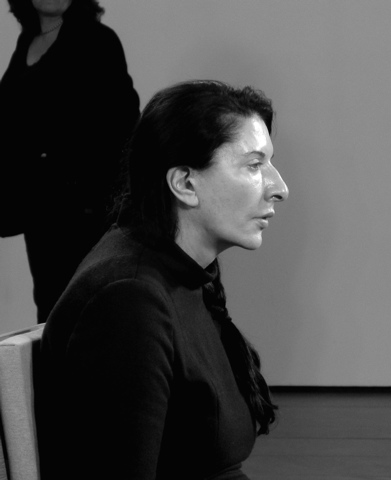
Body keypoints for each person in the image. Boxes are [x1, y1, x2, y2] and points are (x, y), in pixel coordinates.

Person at [38, 80, 289, 480]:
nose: (280, 188)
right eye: (254, 165)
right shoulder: (129, 299)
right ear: (185, 183)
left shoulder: (177, 272)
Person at [0, 0, 140, 323]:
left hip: (87, 216)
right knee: (51, 312)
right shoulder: (27, 43)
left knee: (90, 314)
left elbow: (124, 128)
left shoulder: (98, 40)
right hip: (42, 215)